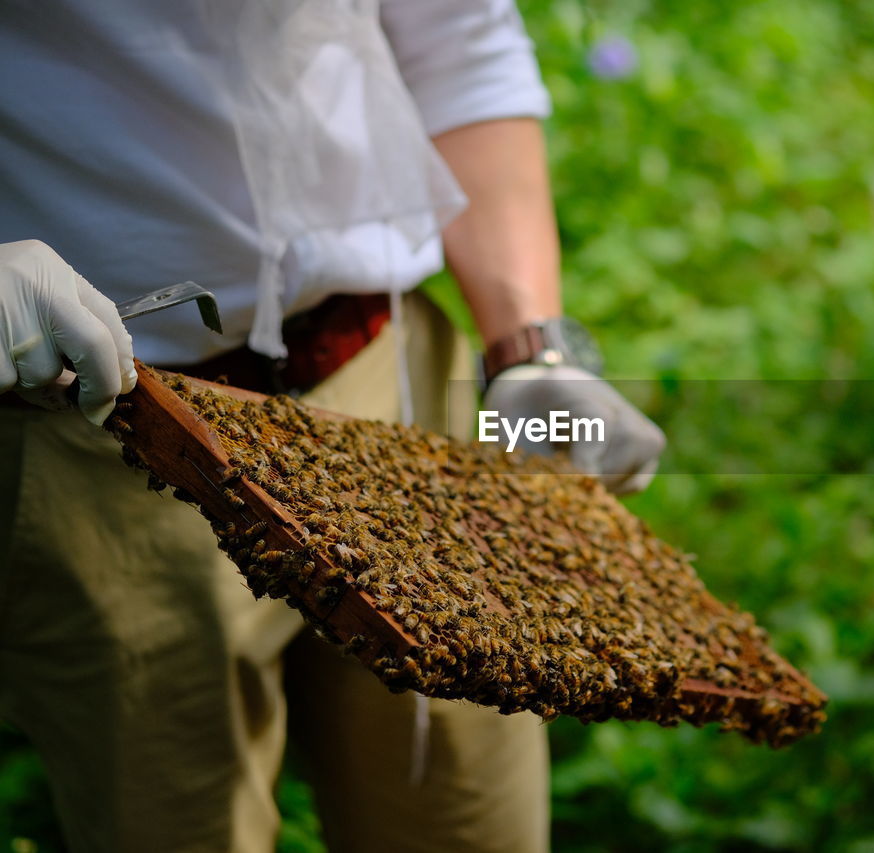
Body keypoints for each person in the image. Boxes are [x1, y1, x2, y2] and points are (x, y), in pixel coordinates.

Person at [0, 1, 665, 851]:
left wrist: (531, 345)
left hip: (394, 394)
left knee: (466, 819)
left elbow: (458, 36)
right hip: (102, 428)